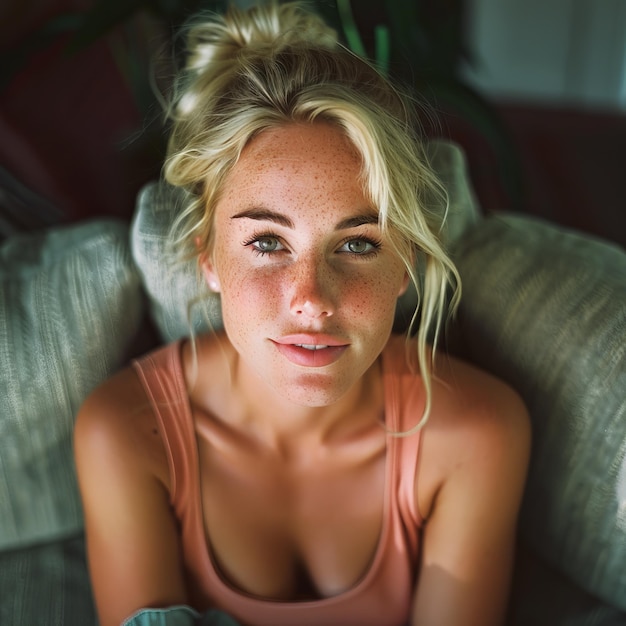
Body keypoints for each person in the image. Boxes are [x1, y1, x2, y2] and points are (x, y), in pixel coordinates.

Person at [74, 2, 531, 625]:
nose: (311, 297)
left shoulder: (474, 437)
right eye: (267, 243)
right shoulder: (125, 435)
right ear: (208, 255)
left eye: (357, 244)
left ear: (404, 264)